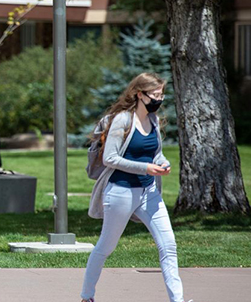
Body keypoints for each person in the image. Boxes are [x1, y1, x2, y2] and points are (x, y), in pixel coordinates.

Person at [81, 73, 185, 302]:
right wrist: (145, 168)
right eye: (155, 95)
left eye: (161, 95)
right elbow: (110, 158)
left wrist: (161, 163)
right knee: (105, 247)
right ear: (139, 94)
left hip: (149, 193)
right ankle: (86, 296)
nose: (159, 99)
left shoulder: (153, 120)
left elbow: (155, 153)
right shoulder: (122, 120)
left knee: (168, 245)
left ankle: (177, 300)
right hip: (121, 192)